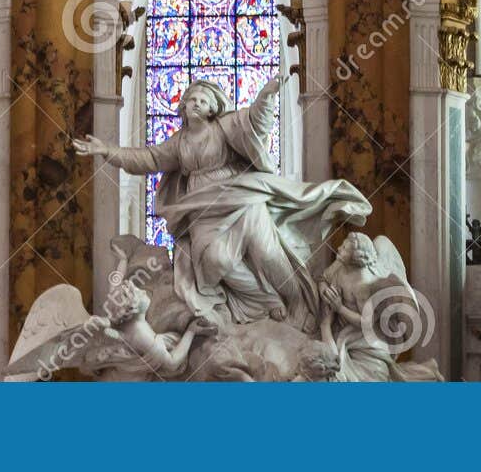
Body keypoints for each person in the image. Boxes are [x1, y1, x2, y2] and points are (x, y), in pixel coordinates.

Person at [73, 77, 369, 331]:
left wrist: (266, 96)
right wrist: (107, 151)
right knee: (215, 262)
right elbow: (148, 158)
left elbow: (255, 122)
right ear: (184, 106)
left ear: (214, 106)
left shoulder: (225, 126)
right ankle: (265, 301)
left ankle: (298, 306)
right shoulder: (180, 142)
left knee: (267, 253)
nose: (197, 103)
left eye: (204, 99)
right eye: (192, 99)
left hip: (240, 196)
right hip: (201, 209)